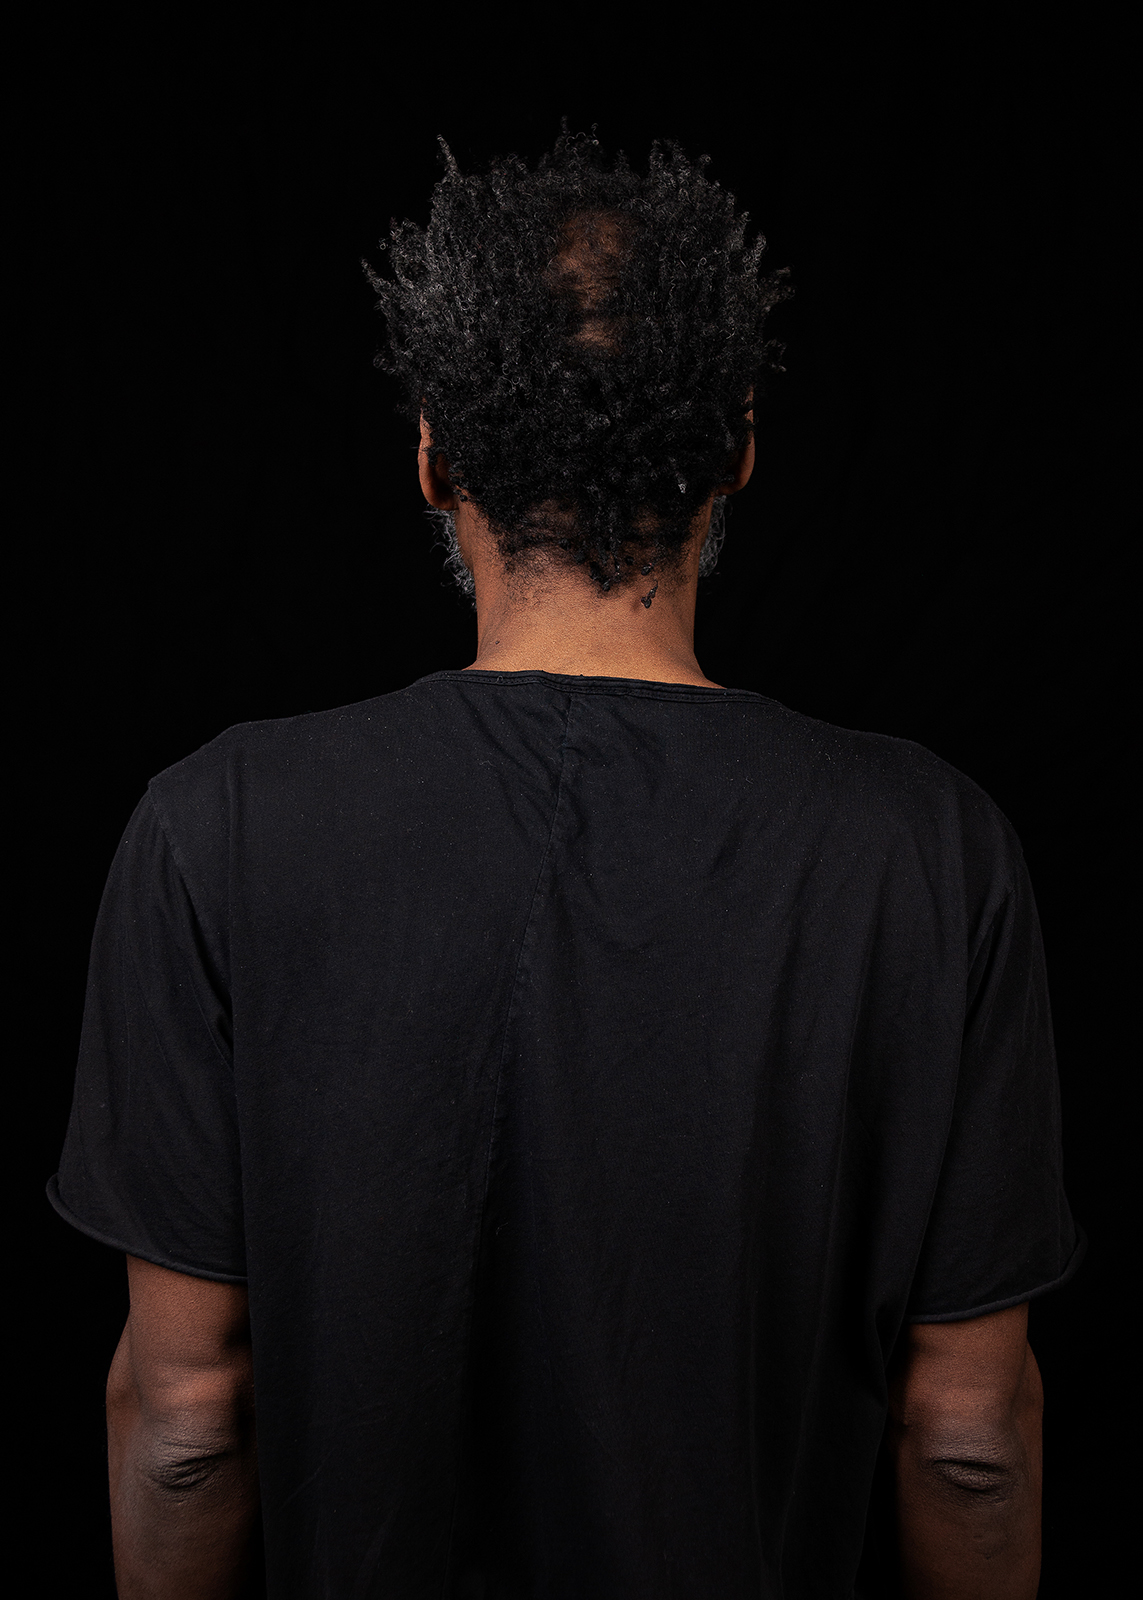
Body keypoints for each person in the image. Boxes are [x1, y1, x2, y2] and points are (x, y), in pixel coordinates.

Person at [48, 125, 1082, 1599]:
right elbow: (971, 1436)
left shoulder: (209, 827)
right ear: (736, 448)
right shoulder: (931, 846)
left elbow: (184, 1420)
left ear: (433, 457)